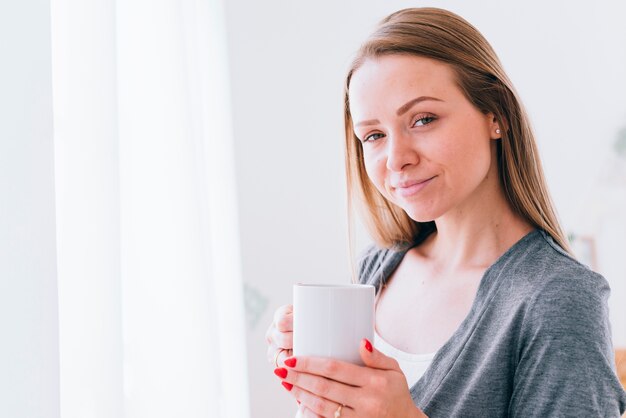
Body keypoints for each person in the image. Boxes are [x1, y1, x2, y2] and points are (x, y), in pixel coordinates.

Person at [265, 7, 626, 417]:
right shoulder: (379, 268)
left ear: (497, 116)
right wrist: (316, 381)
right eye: (374, 135)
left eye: (423, 119)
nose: (396, 158)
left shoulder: (559, 299)